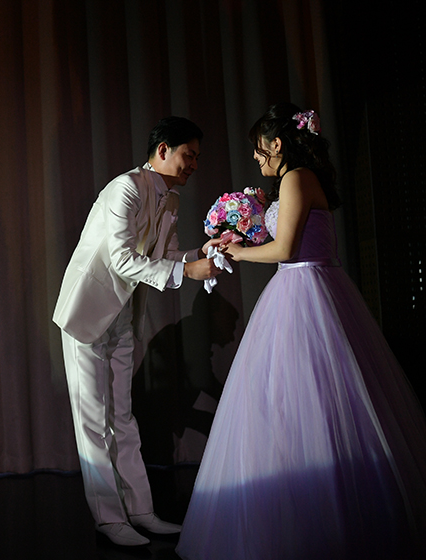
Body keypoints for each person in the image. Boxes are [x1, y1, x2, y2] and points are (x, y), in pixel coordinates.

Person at [176, 103, 426, 559]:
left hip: (305, 287)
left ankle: (319, 513)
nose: (256, 157)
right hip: (299, 286)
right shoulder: (295, 180)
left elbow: (286, 249)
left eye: (259, 148)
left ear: (277, 143)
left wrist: (232, 255)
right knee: (294, 399)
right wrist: (240, 234)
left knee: (311, 398)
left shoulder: (296, 177)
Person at [53, 117, 222, 547]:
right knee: (93, 421)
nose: (194, 164)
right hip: (87, 314)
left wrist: (198, 254)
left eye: (197, 157)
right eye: (189, 155)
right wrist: (187, 271)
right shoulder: (125, 188)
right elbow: (122, 260)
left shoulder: (171, 200)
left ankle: (142, 511)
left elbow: (167, 255)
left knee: (123, 419)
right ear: (163, 150)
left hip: (124, 317)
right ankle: (109, 519)